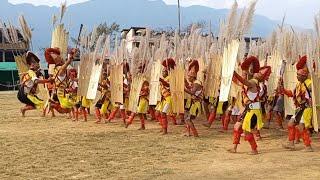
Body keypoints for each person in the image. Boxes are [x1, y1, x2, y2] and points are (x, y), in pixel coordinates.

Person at [229, 56, 271, 155]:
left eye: (260, 73)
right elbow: (242, 83)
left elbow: (244, 82)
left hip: (253, 111)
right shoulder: (252, 82)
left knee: (247, 131)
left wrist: (235, 73)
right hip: (248, 109)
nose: (257, 72)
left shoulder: (253, 82)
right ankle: (234, 148)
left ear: (260, 77)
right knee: (237, 126)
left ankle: (254, 149)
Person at [282, 55, 313, 152]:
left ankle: (308, 147)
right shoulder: (299, 84)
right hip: (300, 108)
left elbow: (314, 93)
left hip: (307, 108)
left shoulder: (309, 83)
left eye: (298, 75)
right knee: (291, 124)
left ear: (303, 76)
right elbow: (293, 94)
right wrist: (282, 90)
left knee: (301, 127)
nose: (296, 76)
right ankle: (291, 143)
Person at [18, 51, 50, 117]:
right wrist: (48, 80)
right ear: (32, 64)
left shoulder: (30, 72)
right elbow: (36, 81)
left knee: (32, 103)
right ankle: (23, 109)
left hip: (23, 93)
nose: (38, 65)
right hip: (25, 94)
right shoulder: (31, 72)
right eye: (37, 64)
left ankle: (24, 110)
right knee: (40, 104)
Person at [184, 60, 203, 137]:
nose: (188, 78)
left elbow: (192, 92)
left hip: (196, 104)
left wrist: (183, 89)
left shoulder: (197, 83)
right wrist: (185, 82)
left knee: (188, 119)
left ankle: (195, 134)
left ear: (193, 77)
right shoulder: (194, 83)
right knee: (187, 118)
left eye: (189, 77)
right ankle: (188, 133)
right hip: (193, 103)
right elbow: (189, 87)